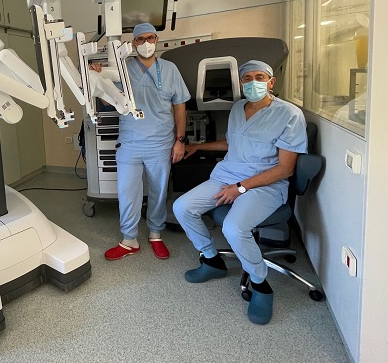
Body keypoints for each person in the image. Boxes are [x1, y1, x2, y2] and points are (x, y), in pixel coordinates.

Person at [172, 60, 307, 325]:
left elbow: (285, 169)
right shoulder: (237, 108)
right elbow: (231, 142)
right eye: (247, 78)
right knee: (182, 207)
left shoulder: (289, 114)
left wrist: (241, 187)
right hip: (227, 176)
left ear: (271, 82)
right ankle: (212, 260)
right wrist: (198, 146)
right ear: (241, 83)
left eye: (260, 77)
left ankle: (261, 286)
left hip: (265, 184)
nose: (253, 82)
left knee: (233, 228)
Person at [91, 22, 190, 261]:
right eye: (140, 39)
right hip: (130, 142)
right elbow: (107, 102)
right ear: (133, 43)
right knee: (127, 193)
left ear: (156, 40)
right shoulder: (121, 69)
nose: (146, 43)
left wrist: (180, 140)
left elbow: (180, 106)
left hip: (161, 143)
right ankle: (129, 240)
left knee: (158, 191)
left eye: (150, 38)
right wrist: (98, 79)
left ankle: (155, 234)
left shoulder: (170, 69)